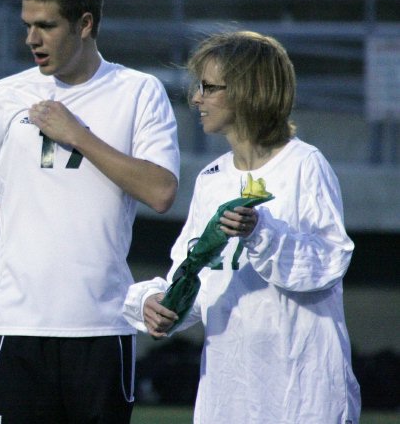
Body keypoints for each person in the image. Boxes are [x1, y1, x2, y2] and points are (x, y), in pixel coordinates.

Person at [0, 0, 180, 423]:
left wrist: (80, 136)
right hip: (16, 328)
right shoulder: (4, 96)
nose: (32, 39)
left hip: (101, 328)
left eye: (46, 26)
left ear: (85, 23)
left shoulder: (138, 92)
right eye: (27, 25)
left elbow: (161, 191)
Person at [124, 30, 361, 423]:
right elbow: (195, 276)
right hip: (229, 395)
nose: (196, 99)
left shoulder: (305, 165)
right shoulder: (211, 179)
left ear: (248, 91)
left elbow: (328, 262)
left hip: (303, 395)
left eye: (208, 87)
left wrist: (260, 231)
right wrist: (162, 305)